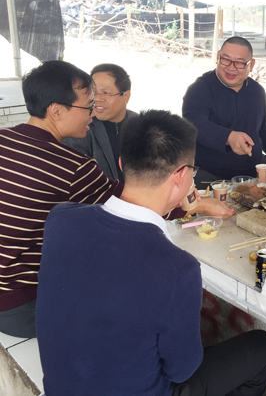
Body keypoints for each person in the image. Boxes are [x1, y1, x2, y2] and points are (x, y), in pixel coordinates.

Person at [36, 110, 266, 396]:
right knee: (263, 347)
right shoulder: (177, 269)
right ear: (181, 176)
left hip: (61, 388)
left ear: (121, 163)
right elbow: (182, 369)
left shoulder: (62, 219)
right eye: (192, 172)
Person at [0, 61, 231, 339]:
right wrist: (198, 205)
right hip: (26, 306)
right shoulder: (72, 166)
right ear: (56, 111)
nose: (93, 113)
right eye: (88, 106)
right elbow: (138, 203)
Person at [182, 36, 266, 188]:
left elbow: (265, 128)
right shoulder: (200, 88)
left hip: (253, 167)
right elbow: (194, 124)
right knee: (192, 188)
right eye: (226, 59)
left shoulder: (257, 91)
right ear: (218, 57)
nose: (231, 67)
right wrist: (228, 137)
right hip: (210, 172)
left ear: (251, 65)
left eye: (239, 63)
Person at [63, 63, 136, 181]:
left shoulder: (142, 125)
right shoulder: (81, 128)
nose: (97, 98)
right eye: (93, 92)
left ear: (126, 96)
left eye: (105, 93)